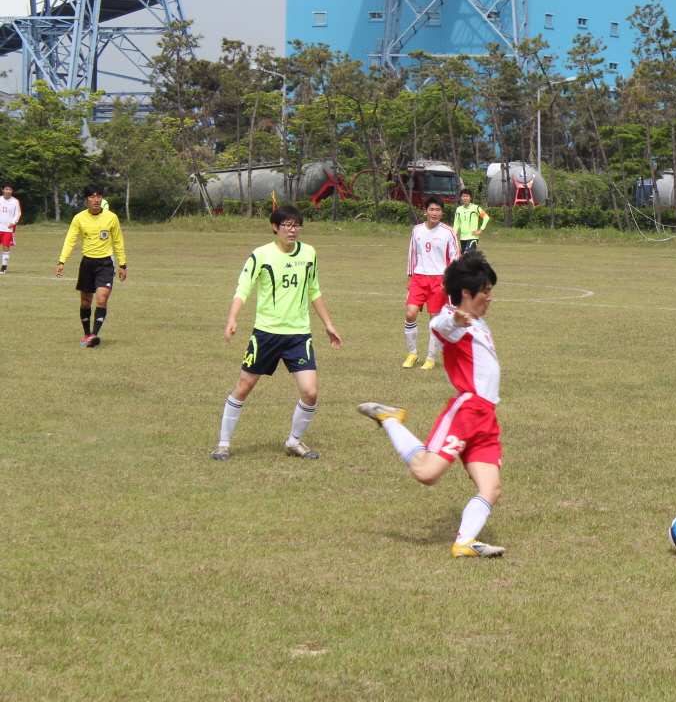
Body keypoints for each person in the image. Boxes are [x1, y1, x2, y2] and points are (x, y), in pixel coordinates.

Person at [358, 251, 507, 558]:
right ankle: (391, 420)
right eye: (486, 291)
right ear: (466, 293)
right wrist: (455, 318)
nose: (490, 298)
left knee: (491, 488)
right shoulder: (454, 320)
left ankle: (464, 543)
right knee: (427, 474)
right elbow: (440, 327)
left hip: (487, 418)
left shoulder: (479, 322)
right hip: (467, 410)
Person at [212, 205, 343, 461]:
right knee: (243, 386)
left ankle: (294, 443)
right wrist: (232, 317)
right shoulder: (261, 255)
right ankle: (223, 444)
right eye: (288, 225)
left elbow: (313, 289)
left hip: (298, 335)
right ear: (275, 227)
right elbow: (244, 287)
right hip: (266, 334)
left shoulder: (309, 253)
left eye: (297, 225)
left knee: (311, 392)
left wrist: (328, 323)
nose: (293, 230)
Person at [55, 184, 126, 346]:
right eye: (92, 197)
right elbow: (70, 241)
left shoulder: (111, 217)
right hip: (87, 263)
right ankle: (87, 334)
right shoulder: (79, 218)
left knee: (102, 298)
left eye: (99, 196)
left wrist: (123, 264)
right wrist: (61, 261)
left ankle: (94, 334)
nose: (96, 200)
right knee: (86, 302)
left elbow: (118, 241)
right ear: (86, 199)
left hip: (105, 263)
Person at [403, 195, 460, 369]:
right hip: (419, 278)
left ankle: (430, 358)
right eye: (431, 209)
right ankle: (412, 353)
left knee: (434, 319)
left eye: (438, 210)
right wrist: (410, 277)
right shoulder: (417, 230)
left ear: (442, 212)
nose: (434, 213)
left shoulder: (448, 232)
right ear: (425, 211)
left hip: (439, 280)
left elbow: (456, 257)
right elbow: (412, 254)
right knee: (410, 314)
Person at [0, 184, 20, 273]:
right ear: (3, 190)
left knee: (6, 247)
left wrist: (13, 223)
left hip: (8, 229)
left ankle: (3, 267)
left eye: (10, 189)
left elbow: (18, 213)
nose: (8, 191)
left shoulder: (15, 201)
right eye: (6, 189)